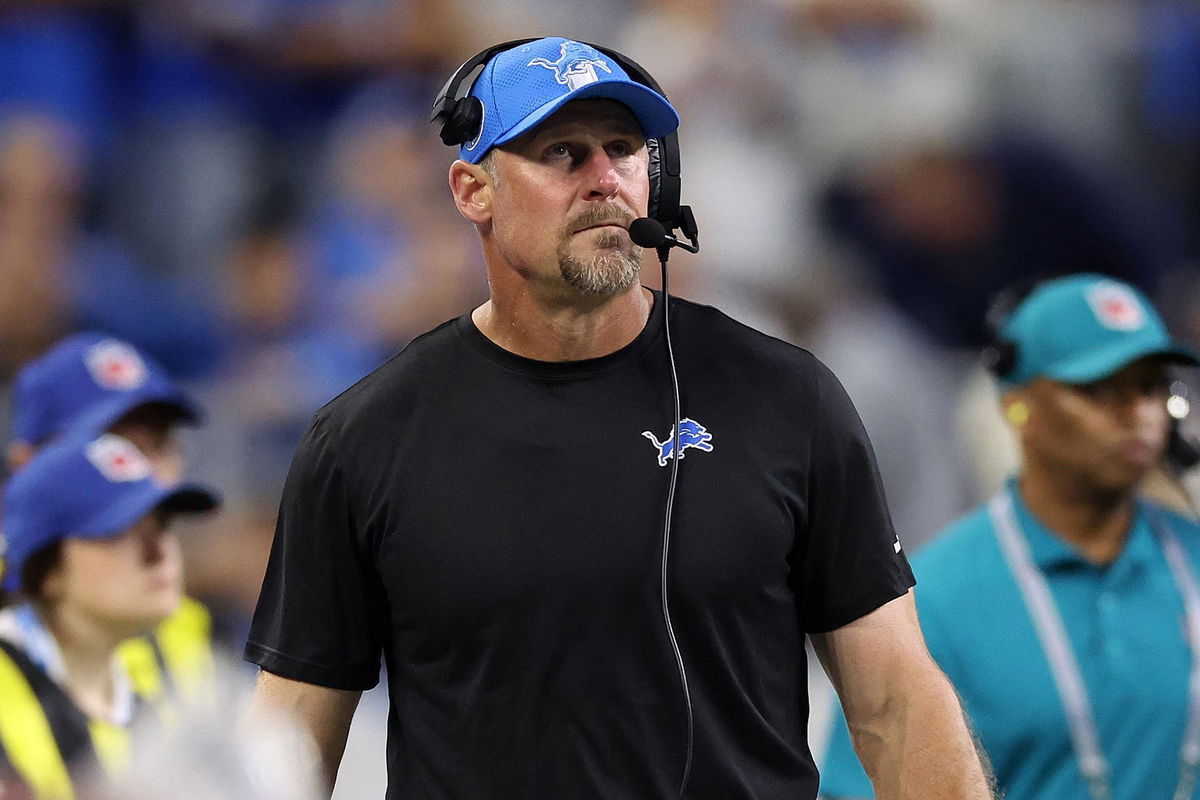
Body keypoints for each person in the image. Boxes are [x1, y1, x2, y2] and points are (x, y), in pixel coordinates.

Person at [243, 36, 993, 799]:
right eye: (563, 153)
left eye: (624, 150)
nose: (605, 179)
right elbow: (291, 743)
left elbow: (896, 702)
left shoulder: (785, 399)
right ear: (474, 191)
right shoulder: (365, 440)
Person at [820, 273, 1200, 800]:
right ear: (1016, 405)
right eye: (1097, 388)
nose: (1137, 414)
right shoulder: (932, 602)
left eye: (1150, 386)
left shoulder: (1193, 560)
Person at [0, 432, 219, 798]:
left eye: (163, 525)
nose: (159, 551)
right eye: (119, 529)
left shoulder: (156, 693)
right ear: (46, 570)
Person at [6, 332, 217, 703]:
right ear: (27, 465)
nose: (143, 473)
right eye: (111, 448)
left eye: (161, 445)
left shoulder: (189, 624)